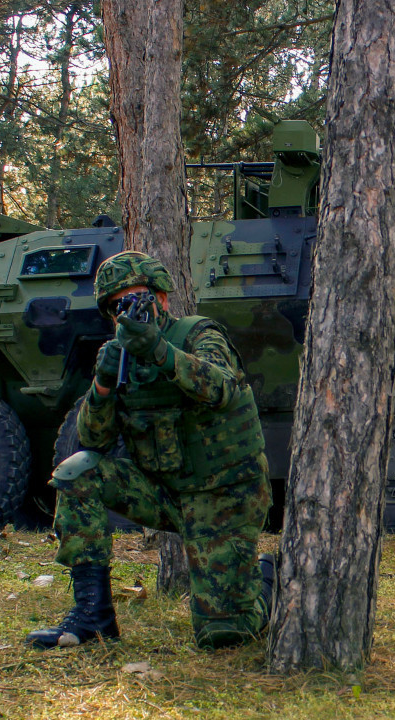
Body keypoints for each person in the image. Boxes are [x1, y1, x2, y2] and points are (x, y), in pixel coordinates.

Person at [27, 251, 274, 650]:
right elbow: (94, 442)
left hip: (224, 497)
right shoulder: (119, 356)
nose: (127, 311)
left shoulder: (198, 334)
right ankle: (92, 616)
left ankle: (269, 575)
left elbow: (222, 389)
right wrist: (104, 384)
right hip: (164, 493)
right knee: (79, 473)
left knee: (225, 634)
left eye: (136, 299)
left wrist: (159, 351)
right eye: (116, 306)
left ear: (161, 299)